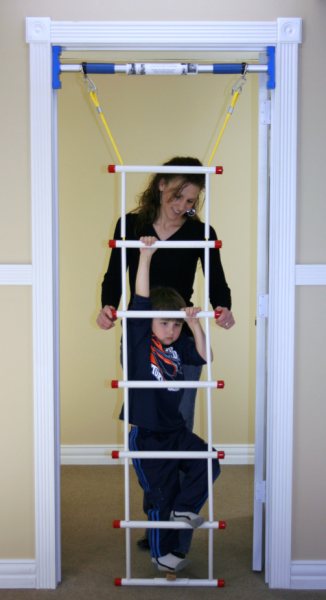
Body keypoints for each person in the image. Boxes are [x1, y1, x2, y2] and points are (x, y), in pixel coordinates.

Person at [97, 156, 235, 434]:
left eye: (190, 202)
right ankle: (152, 477)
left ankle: (179, 478)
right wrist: (107, 306)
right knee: (145, 413)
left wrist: (224, 307)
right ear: (161, 185)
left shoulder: (201, 232)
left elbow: (217, 279)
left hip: (180, 334)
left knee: (180, 415)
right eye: (177, 195)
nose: (181, 206)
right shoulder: (131, 226)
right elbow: (114, 274)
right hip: (141, 334)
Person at [121, 236, 220, 573]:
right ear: (149, 322)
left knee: (208, 463)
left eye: (175, 324)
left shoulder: (180, 346)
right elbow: (141, 301)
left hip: (176, 431)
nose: (170, 330)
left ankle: (184, 509)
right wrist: (145, 257)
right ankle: (161, 554)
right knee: (160, 495)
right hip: (148, 435)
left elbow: (206, 355)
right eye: (164, 322)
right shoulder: (139, 341)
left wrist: (194, 324)